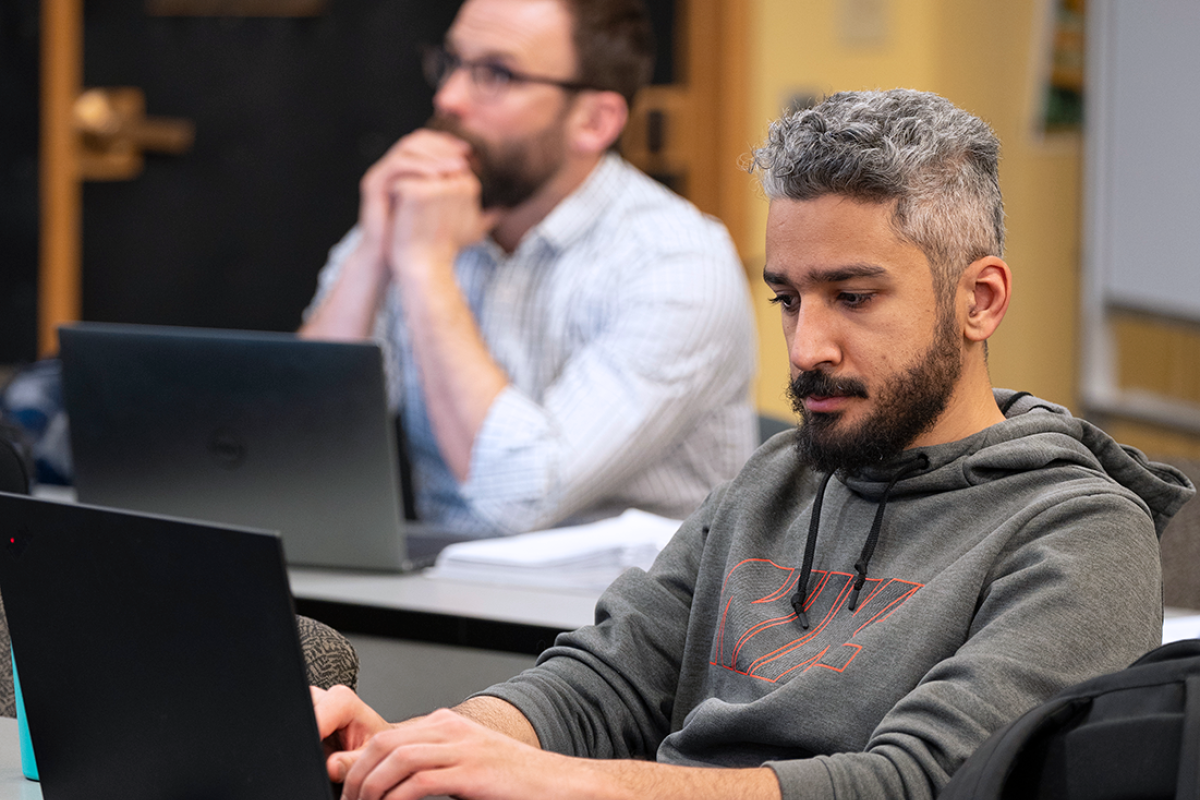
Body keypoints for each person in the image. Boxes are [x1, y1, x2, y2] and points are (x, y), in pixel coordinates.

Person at [311, 89, 1196, 799]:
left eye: (853, 297)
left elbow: (919, 784)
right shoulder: (778, 478)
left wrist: (556, 784)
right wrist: (430, 749)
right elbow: (605, 680)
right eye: (787, 298)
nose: (807, 346)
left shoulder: (1080, 536)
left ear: (981, 301)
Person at [299, 0, 757, 536]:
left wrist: (425, 267)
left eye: (496, 74)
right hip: (439, 592)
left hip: (619, 606)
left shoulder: (678, 262)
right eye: (451, 63)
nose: (448, 98)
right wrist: (376, 247)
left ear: (594, 121)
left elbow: (521, 496)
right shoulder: (424, 213)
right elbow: (298, 451)